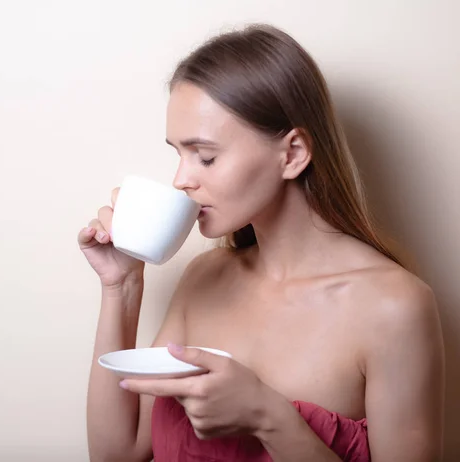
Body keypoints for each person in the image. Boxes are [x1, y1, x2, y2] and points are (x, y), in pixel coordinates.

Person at [78, 24, 445, 462]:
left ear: (292, 154)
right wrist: (120, 286)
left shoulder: (394, 307)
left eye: (206, 156)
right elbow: (116, 454)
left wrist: (266, 417)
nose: (181, 180)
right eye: (178, 153)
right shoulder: (204, 277)